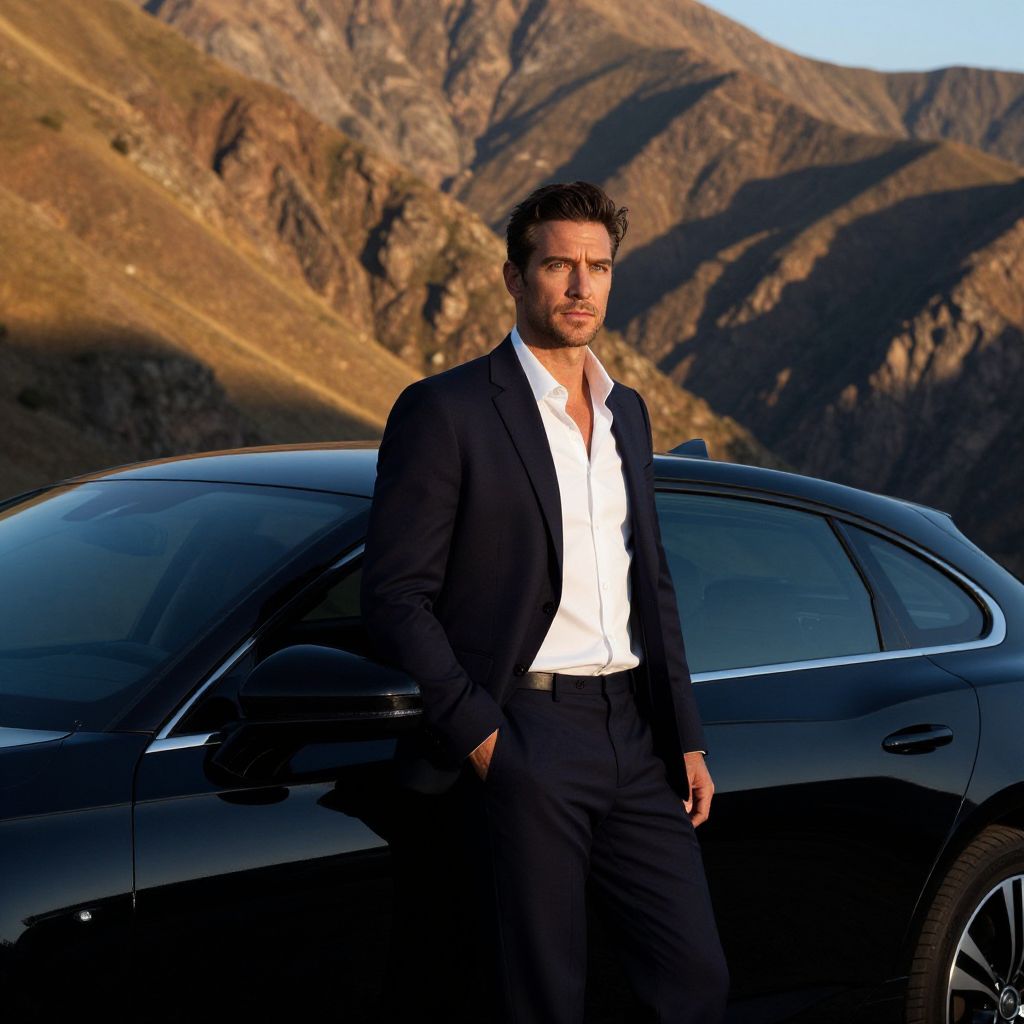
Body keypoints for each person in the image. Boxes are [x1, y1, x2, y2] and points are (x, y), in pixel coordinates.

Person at [361, 180, 728, 1024]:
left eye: (599, 267)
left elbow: (651, 582)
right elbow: (395, 595)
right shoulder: (446, 411)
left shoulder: (627, 412)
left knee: (694, 981)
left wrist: (686, 737)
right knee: (542, 999)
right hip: (526, 733)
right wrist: (484, 738)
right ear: (514, 278)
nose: (580, 285)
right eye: (560, 265)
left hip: (634, 737)